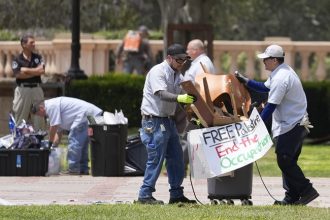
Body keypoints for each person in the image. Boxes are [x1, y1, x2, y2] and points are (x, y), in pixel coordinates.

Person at [235, 44, 319, 206]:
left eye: (266, 59)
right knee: (287, 159)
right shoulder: (280, 71)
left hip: (293, 124)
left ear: (274, 60)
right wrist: (246, 81)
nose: (264, 62)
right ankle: (291, 197)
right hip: (293, 123)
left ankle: (307, 190)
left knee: (284, 159)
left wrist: (255, 125)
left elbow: (270, 105)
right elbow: (265, 87)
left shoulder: (282, 78)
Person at [136, 43, 197, 205]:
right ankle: (144, 195)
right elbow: (161, 93)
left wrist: (194, 107)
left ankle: (176, 194)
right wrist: (180, 98)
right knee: (156, 158)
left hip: (167, 121)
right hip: (153, 121)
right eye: (179, 60)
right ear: (169, 58)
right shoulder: (158, 71)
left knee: (176, 158)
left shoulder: (178, 74)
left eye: (184, 60)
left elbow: (186, 92)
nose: (181, 63)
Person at [31, 96, 103, 175]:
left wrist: (49, 143)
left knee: (74, 141)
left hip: (83, 116)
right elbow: (58, 133)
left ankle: (73, 169)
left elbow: (53, 127)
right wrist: (53, 146)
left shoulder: (51, 106)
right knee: (83, 145)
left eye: (39, 114)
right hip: (88, 114)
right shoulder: (55, 109)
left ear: (41, 108)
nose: (41, 116)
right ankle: (83, 169)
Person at [11, 33, 45, 130]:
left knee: (39, 118)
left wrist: (25, 70)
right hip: (23, 90)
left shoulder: (38, 57)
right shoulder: (17, 59)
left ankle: (39, 142)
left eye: (34, 42)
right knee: (20, 117)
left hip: (36, 89)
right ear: (24, 44)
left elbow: (42, 71)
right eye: (31, 42)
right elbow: (18, 74)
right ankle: (18, 142)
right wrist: (35, 72)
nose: (34, 44)